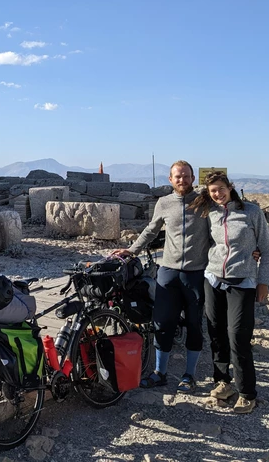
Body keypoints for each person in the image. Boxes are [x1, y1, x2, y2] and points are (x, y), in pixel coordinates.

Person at [113, 160, 209, 392]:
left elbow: (224, 225)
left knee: (195, 325)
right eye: (178, 176)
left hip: (196, 274)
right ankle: (160, 372)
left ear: (193, 178)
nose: (182, 180)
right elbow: (151, 230)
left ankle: (189, 375)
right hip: (168, 272)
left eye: (186, 176)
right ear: (170, 179)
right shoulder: (163, 203)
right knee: (162, 323)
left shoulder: (204, 202)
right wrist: (132, 250)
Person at [189, 171, 269, 414]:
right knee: (215, 333)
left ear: (230, 187)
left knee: (238, 335)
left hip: (243, 281)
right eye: (212, 190)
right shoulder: (210, 212)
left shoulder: (252, 212)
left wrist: (263, 282)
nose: (217, 194)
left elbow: (266, 250)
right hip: (213, 278)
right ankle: (222, 382)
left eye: (221, 189)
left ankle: (247, 393)